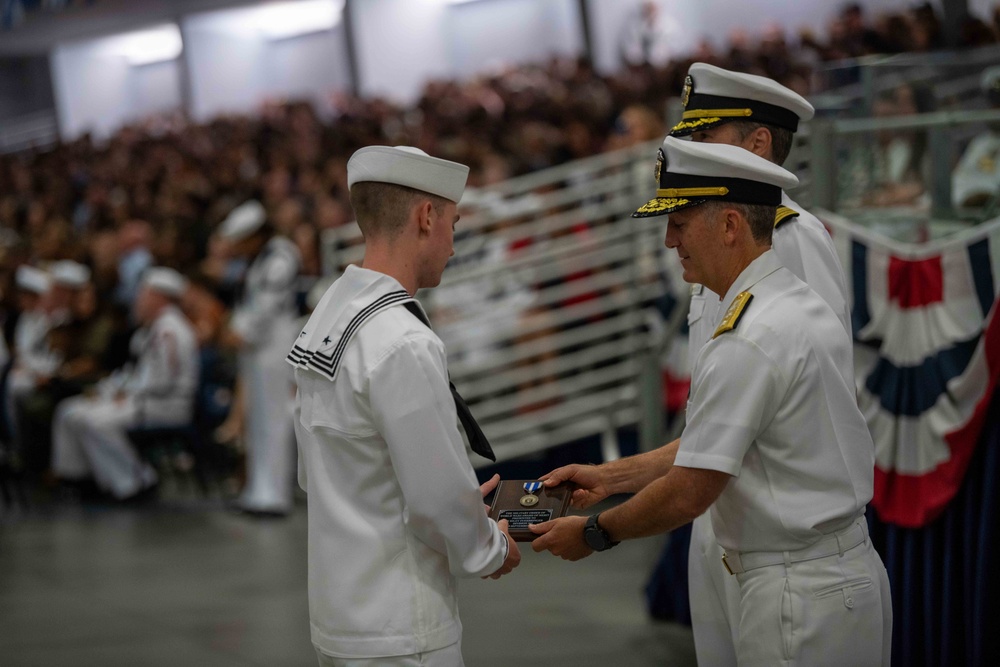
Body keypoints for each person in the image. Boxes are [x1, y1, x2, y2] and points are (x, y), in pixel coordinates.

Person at [531, 137, 892, 666]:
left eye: (679, 221)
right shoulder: (787, 302)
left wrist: (594, 531)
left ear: (729, 225)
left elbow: (690, 491)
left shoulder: (749, 335)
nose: (668, 239)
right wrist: (608, 478)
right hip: (832, 578)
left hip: (798, 593)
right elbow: (714, 444)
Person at [287, 145, 520, 667]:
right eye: (454, 225)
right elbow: (436, 499)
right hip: (401, 625)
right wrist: (491, 546)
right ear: (426, 216)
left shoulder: (329, 313)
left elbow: (315, 474)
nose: (454, 246)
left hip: (342, 614)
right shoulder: (401, 338)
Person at [668, 62, 854, 667]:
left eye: (705, 134)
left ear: (758, 143)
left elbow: (819, 383)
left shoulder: (789, 236)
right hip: (726, 507)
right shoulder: (717, 230)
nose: (692, 147)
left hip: (775, 519)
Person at [50, 268, 199, 501]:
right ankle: (83, 479)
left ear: (159, 298)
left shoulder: (171, 331)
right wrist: (110, 391)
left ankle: (136, 481)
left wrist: (126, 394)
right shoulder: (154, 328)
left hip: (165, 404)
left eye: (144, 294)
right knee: (71, 411)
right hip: (147, 398)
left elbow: (163, 381)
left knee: (95, 421)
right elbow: (137, 373)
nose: (138, 300)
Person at [218, 200, 302, 517]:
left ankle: (274, 495)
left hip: (274, 345)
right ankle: (258, 489)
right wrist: (239, 329)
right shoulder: (260, 258)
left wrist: (243, 331)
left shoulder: (281, 256)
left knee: (274, 418)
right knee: (257, 421)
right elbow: (250, 302)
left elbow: (266, 306)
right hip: (257, 346)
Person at [952, 66, 1000, 208]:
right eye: (994, 100)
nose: (996, 108)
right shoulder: (980, 143)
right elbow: (959, 182)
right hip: (968, 217)